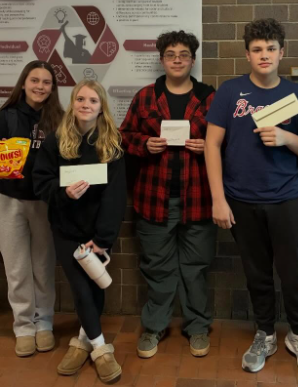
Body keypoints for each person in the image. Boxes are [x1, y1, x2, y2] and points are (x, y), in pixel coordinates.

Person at [204, 18, 298, 377]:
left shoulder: (295, 95)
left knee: (294, 274)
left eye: (271, 48)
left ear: (281, 52)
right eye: (257, 49)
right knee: (256, 274)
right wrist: (218, 199)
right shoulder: (230, 92)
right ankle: (266, 334)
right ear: (247, 55)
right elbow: (212, 144)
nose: (264, 55)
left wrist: (287, 139)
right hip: (241, 200)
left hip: (287, 199)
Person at [120, 31, 217, 359]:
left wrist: (209, 147)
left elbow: (227, 140)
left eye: (184, 54)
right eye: (171, 54)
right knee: (158, 268)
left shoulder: (208, 97)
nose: (177, 60)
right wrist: (144, 144)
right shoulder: (146, 97)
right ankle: (154, 326)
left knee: (195, 267)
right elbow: (123, 136)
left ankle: (198, 326)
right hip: (154, 198)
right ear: (162, 60)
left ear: (193, 60)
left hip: (198, 199)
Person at [34, 80, 126, 384]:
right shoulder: (55, 141)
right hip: (66, 229)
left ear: (101, 107)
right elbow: (41, 183)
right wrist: (64, 193)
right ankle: (101, 349)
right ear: (72, 103)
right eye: (81, 99)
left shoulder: (112, 143)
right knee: (80, 287)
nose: (86, 105)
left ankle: (83, 340)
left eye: (93, 101)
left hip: (97, 232)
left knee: (95, 286)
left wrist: (103, 239)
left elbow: (115, 196)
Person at [0, 60, 63, 357]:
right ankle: (23, 327)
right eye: (35, 80)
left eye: (46, 82)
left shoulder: (60, 118)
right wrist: (1, 163)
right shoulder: (5, 116)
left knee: (43, 265)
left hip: (44, 202)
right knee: (17, 268)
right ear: (24, 83)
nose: (40, 87)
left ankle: (44, 323)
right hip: (8, 199)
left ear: (52, 88)